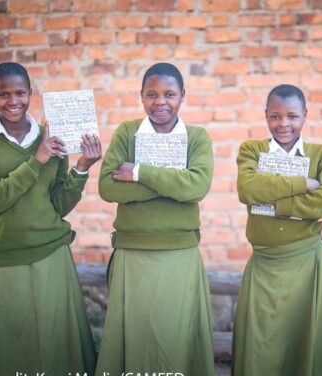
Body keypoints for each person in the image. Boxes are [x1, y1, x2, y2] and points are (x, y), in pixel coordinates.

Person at [0, 62, 101, 374]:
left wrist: (81, 167)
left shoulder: (54, 137)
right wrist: (36, 159)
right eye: (4, 94)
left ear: (31, 93)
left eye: (20, 93)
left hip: (52, 253)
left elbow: (58, 205)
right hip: (5, 255)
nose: (14, 101)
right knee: (11, 344)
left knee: (55, 345)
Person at [96, 62, 215, 375]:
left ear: (182, 96)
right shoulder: (127, 133)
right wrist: (172, 184)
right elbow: (108, 188)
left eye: (169, 94)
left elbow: (197, 186)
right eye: (152, 94)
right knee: (134, 334)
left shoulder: (197, 138)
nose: (160, 101)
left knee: (176, 338)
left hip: (180, 252)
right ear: (141, 97)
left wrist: (138, 172)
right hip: (132, 253)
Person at [233, 84, 322, 376]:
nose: (284, 124)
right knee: (260, 345)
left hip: (308, 264)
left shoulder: (321, 155)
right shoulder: (252, 150)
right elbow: (248, 189)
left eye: (292, 116)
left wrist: (275, 203)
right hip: (265, 263)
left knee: (305, 343)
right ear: (265, 116)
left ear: (305, 116)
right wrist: (302, 184)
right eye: (275, 116)